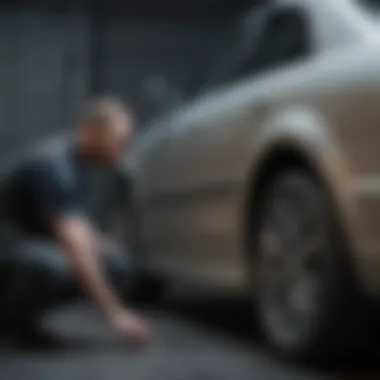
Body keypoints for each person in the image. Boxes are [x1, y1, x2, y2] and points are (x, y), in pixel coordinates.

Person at [0, 96, 151, 348]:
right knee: (57, 266)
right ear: (91, 131)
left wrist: (98, 241)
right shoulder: (55, 166)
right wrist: (116, 315)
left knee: (116, 263)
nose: (123, 147)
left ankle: (19, 320)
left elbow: (74, 222)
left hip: (22, 247)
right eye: (119, 140)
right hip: (9, 250)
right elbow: (78, 249)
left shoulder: (80, 163)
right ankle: (9, 322)